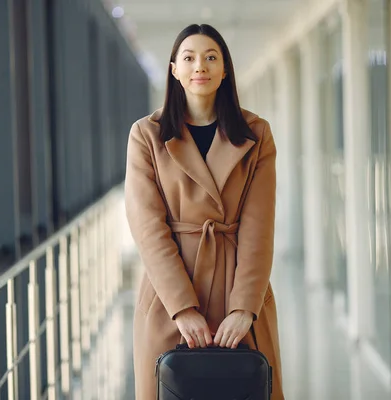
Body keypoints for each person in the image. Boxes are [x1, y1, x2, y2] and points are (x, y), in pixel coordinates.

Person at [124, 23, 284, 400]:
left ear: (225, 69)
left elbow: (259, 228)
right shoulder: (146, 135)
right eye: (190, 58)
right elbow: (148, 228)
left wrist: (245, 307)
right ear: (174, 69)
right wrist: (181, 308)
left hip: (239, 292)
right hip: (170, 296)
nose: (201, 66)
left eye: (212, 57)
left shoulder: (256, 133)